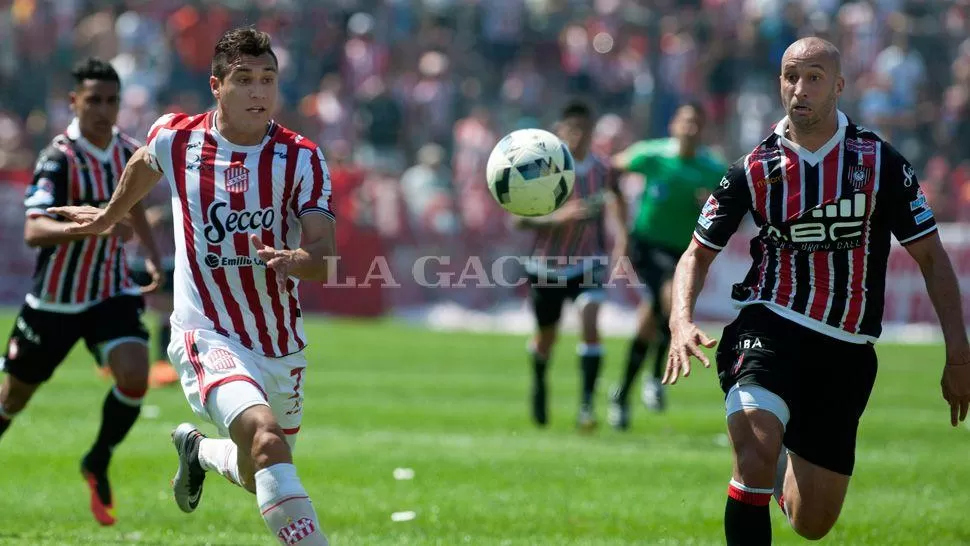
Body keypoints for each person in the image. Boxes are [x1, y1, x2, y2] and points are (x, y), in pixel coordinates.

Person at [662, 37, 970, 545]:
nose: (799, 89)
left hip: (846, 349)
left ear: (839, 87)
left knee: (812, 523)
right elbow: (696, 253)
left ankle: (784, 458)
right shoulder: (753, 168)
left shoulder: (880, 163)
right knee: (755, 452)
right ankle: (768, 453)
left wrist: (958, 354)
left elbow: (933, 259)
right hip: (768, 323)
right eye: (790, 76)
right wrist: (680, 319)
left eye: (814, 77)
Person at [49, 28, 335, 546]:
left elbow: (324, 257)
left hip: (279, 341)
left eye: (267, 80)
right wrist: (108, 217)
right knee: (266, 440)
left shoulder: (302, 158)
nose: (258, 92)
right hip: (206, 334)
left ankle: (198, 451)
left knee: (258, 471)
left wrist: (297, 259)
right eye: (244, 80)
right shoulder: (178, 138)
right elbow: (143, 163)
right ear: (216, 86)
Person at [0, 58, 162, 526]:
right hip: (55, 300)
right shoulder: (58, 157)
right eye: (93, 100)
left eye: (111, 100)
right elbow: (34, 229)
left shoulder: (131, 152)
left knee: (134, 375)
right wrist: (93, 228)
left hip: (111, 290)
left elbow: (134, 208)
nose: (103, 109)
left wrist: (150, 255)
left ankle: (98, 458)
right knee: (12, 400)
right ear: (74, 102)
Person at [606, 102, 727, 428]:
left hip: (686, 252)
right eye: (685, 121)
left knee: (651, 318)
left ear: (703, 129)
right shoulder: (652, 154)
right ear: (674, 125)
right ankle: (653, 376)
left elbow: (733, 213)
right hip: (647, 245)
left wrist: (709, 208)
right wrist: (620, 223)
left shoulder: (712, 168)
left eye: (696, 123)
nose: (690, 128)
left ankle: (621, 394)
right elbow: (610, 170)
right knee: (670, 300)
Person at [514, 100, 627, 430]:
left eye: (584, 129)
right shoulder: (542, 168)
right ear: (559, 131)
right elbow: (519, 221)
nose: (577, 135)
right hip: (545, 266)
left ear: (592, 132)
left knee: (590, 317)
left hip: (587, 263)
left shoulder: (603, 170)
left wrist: (621, 237)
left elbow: (617, 197)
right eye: (571, 129)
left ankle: (586, 406)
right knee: (546, 337)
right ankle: (539, 383)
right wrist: (557, 218)